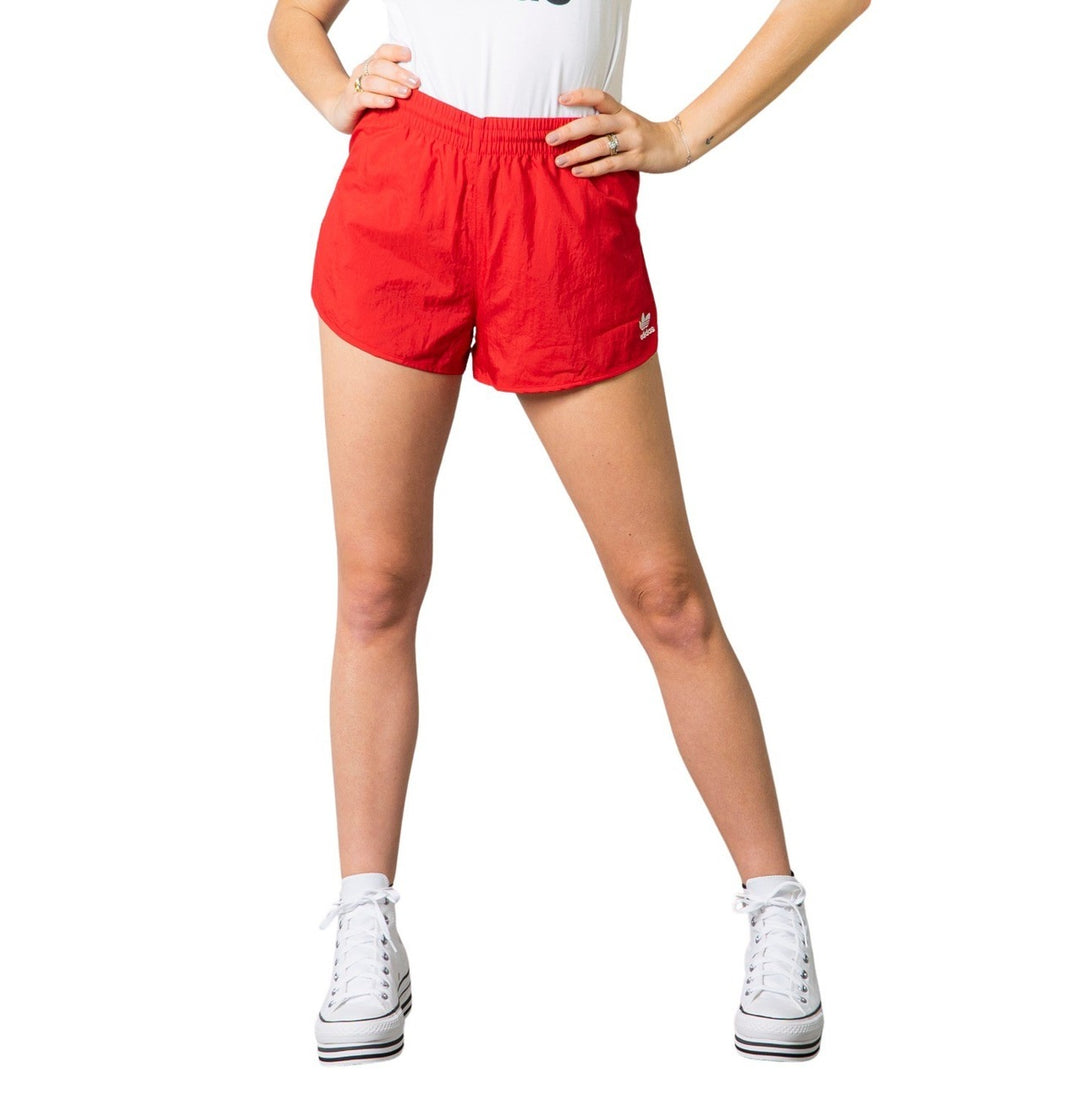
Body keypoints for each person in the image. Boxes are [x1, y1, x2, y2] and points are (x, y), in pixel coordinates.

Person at [267, 0, 870, 1065]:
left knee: (665, 594)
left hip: (559, 190)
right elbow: (293, 21)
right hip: (404, 187)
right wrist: (333, 93)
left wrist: (684, 134)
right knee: (375, 585)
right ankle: (365, 917)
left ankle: (775, 907)